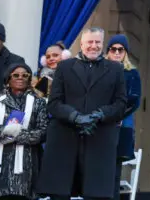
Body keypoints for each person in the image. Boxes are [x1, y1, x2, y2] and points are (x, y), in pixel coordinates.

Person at [36, 28, 127, 200]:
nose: (94, 46)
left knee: (97, 194)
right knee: (59, 193)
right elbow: (54, 103)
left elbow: (121, 104)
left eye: (98, 42)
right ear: (82, 44)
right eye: (90, 42)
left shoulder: (115, 69)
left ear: (102, 44)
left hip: (99, 138)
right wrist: (74, 116)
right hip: (65, 137)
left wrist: (99, 115)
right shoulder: (64, 67)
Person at [0, 63, 47, 200]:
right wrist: (4, 131)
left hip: (27, 163)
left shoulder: (39, 102)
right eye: (16, 75)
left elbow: (43, 132)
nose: (20, 78)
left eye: (25, 75)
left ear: (30, 79)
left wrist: (18, 135)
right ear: (8, 78)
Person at [106, 35, 140, 200]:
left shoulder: (132, 73)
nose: (117, 52)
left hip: (122, 125)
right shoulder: (101, 71)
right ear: (108, 52)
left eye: (121, 49)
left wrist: (117, 116)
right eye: (113, 49)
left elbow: (134, 100)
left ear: (125, 52)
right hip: (102, 125)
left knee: (115, 170)